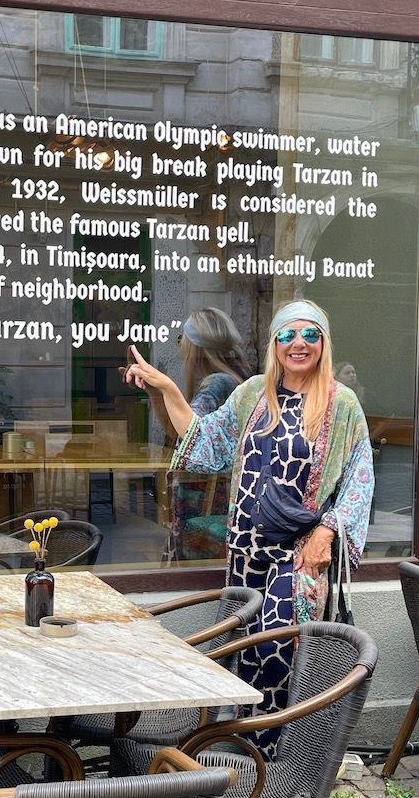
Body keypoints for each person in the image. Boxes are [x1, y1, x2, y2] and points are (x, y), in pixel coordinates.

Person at [125, 299, 374, 758]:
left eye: (310, 334)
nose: (298, 344)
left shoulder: (341, 403)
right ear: (275, 343)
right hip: (244, 547)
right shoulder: (253, 393)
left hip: (297, 550)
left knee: (278, 644)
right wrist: (167, 388)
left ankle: (276, 752)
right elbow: (207, 442)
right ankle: (245, 745)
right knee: (244, 647)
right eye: (287, 335)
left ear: (323, 343)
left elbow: (360, 478)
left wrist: (328, 532)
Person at [147, 307, 252, 560]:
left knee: (191, 567)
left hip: (206, 499)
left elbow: (191, 435)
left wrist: (166, 388)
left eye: (181, 339)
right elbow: (179, 430)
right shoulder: (236, 378)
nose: (181, 347)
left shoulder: (217, 382)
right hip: (223, 496)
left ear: (194, 346)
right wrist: (156, 394)